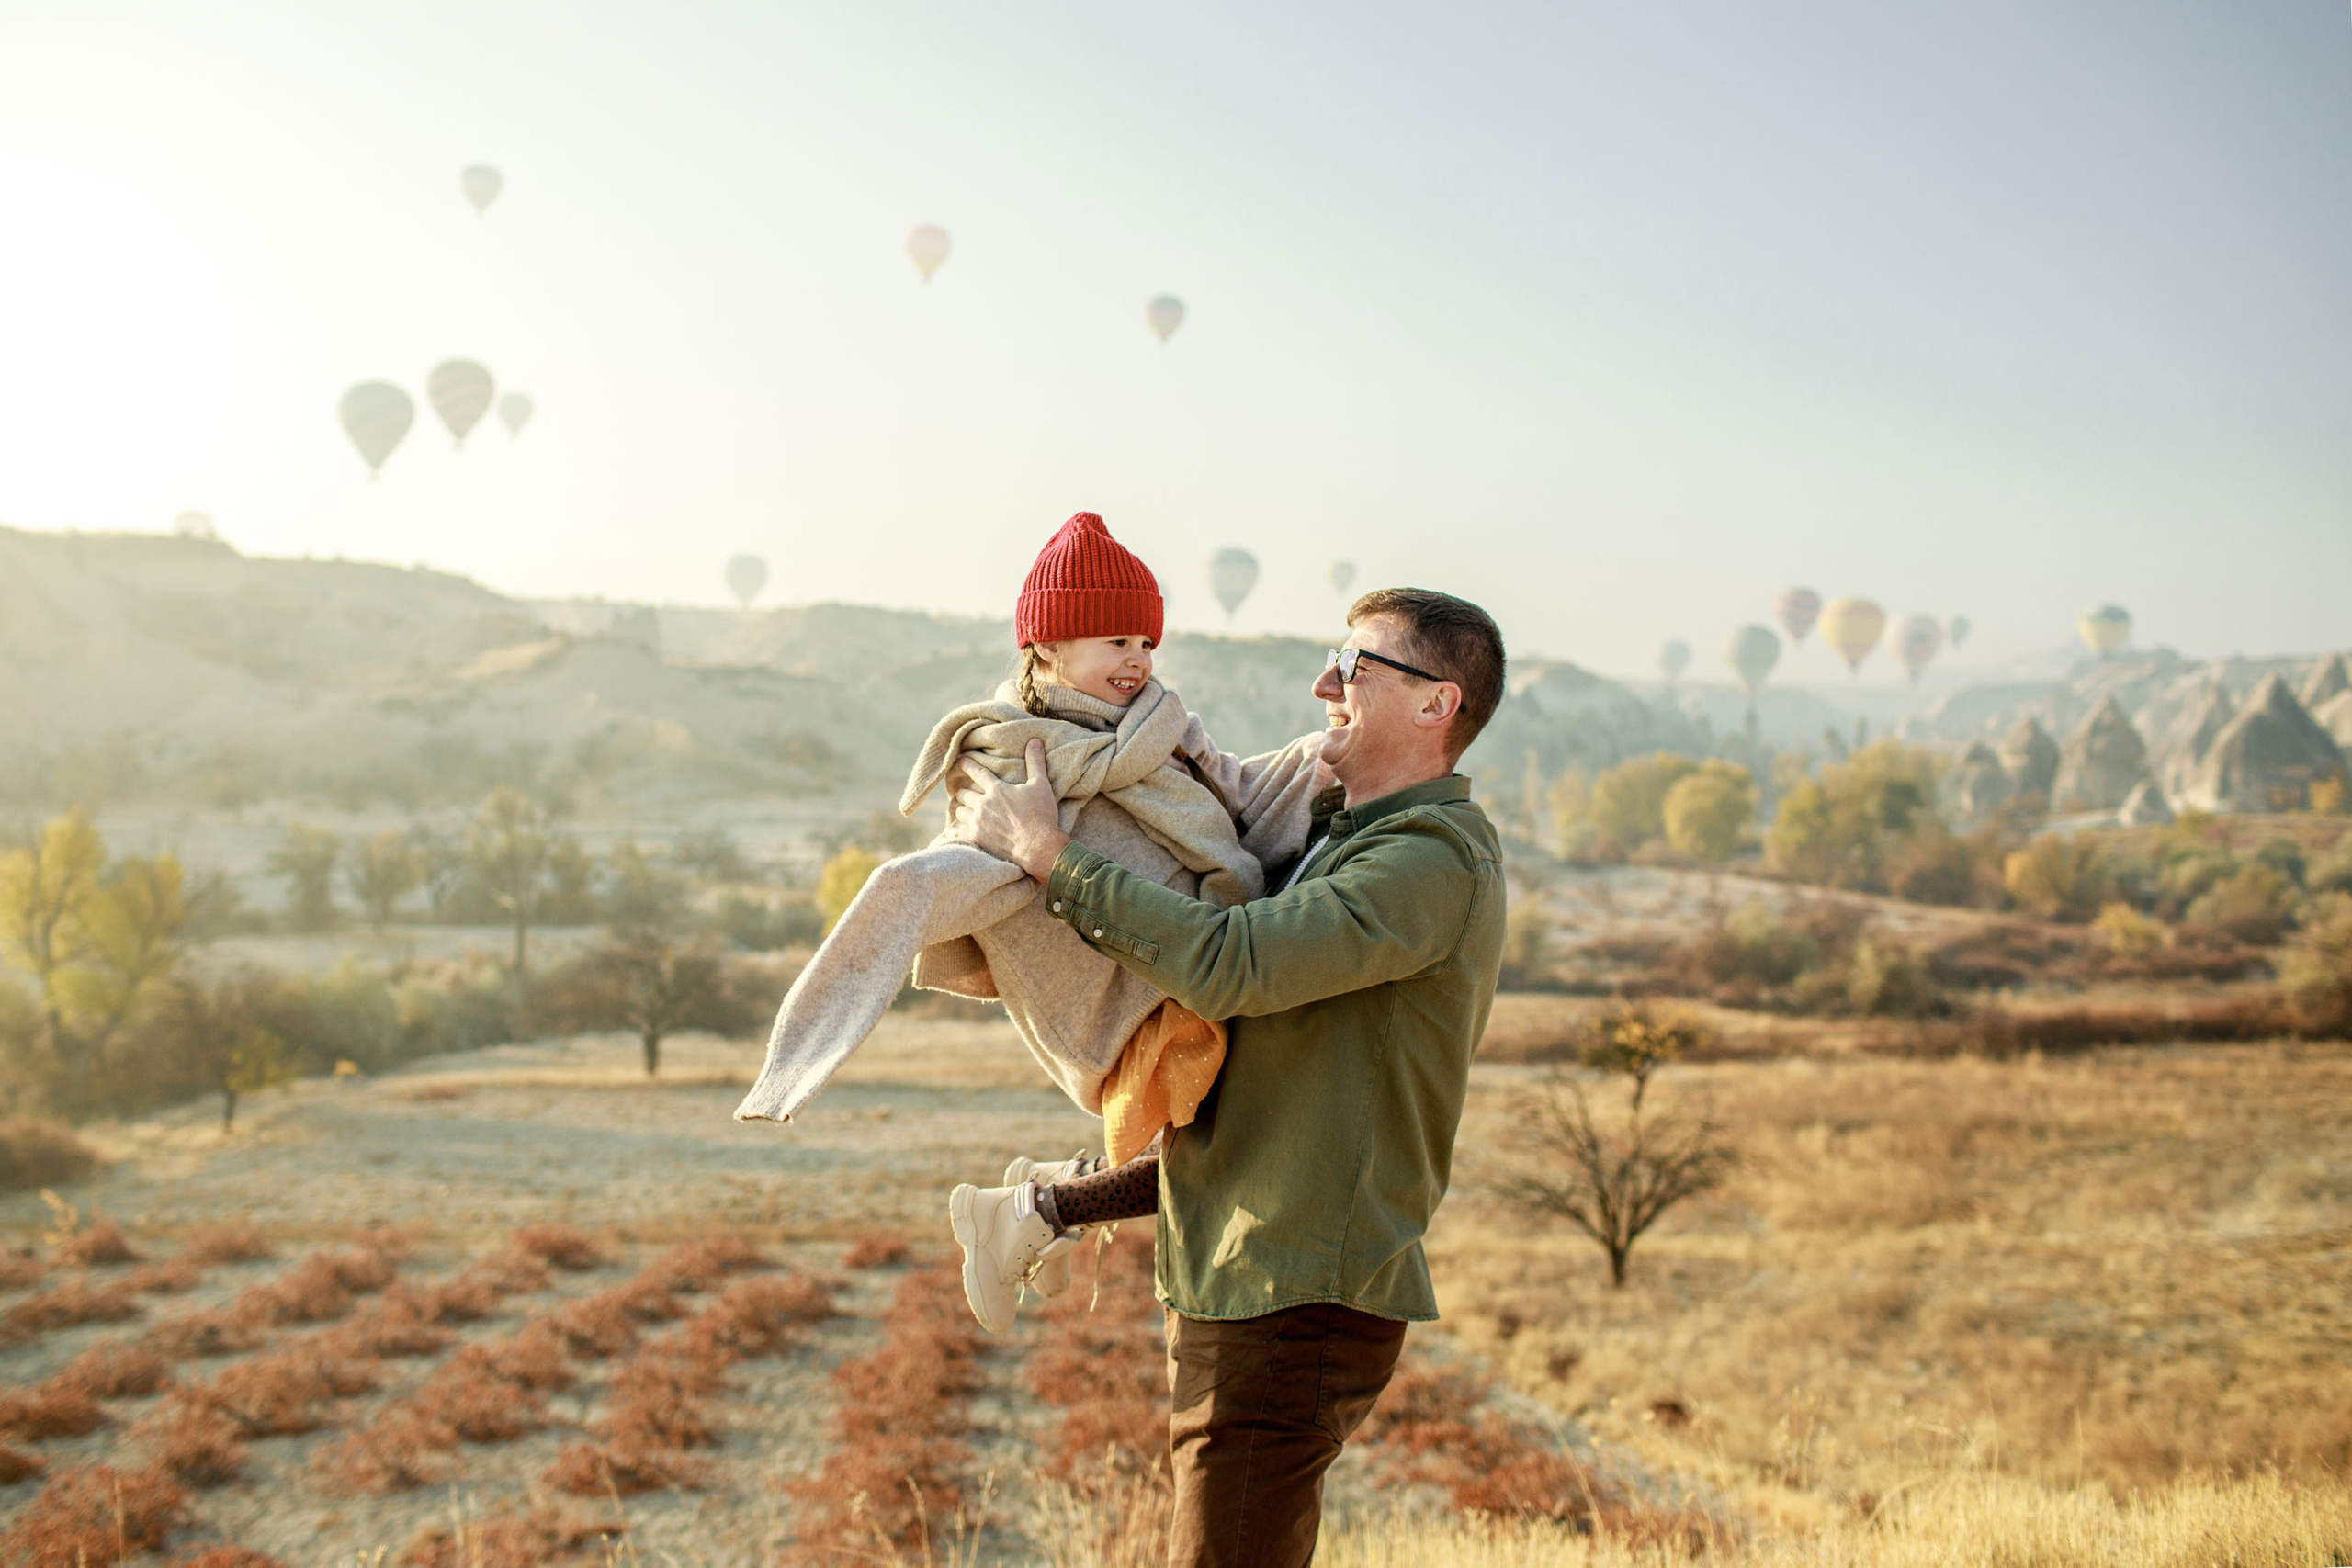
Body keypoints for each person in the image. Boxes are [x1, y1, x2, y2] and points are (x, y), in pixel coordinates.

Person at [950, 587, 1508, 1568]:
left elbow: (1230, 963)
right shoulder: (1336, 835)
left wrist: (1050, 856)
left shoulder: (1428, 864)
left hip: (1296, 1296)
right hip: (1246, 1275)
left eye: (1358, 667)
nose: (1323, 682)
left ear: (1436, 705)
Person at [730, 512, 1328, 1330]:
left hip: (1199, 945)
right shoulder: (1010, 755)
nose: (1138, 660)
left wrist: (1331, 759)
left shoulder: (1169, 729)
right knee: (1226, 1139)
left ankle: (1036, 1202)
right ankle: (1035, 1207)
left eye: (1147, 643)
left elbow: (1239, 793)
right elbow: (967, 861)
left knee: (1222, 1134)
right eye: (1116, 641)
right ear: (1048, 646)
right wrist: (808, 1043)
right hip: (1121, 975)